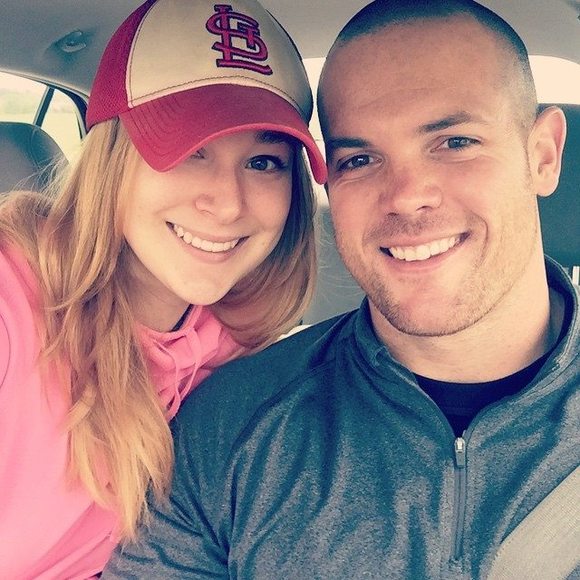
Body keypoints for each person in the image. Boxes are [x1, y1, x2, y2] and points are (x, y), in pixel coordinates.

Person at [103, 1, 580, 578]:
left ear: (543, 155)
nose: (406, 196)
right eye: (359, 158)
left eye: (455, 143)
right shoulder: (227, 425)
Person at [0, 0, 327, 577]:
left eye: (263, 162)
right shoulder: (14, 300)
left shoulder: (244, 354)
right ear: (112, 160)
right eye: (190, 151)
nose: (227, 203)